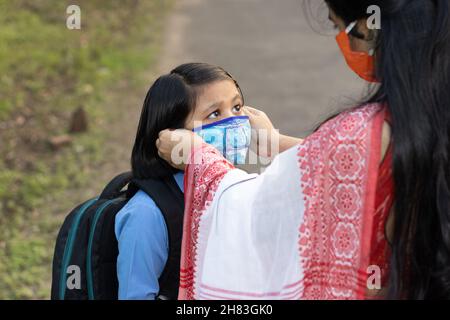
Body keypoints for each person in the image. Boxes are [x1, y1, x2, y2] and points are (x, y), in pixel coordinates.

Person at [156, 0, 450, 299]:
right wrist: (275, 144)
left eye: (339, 27)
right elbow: (353, 163)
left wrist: (199, 158)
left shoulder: (357, 133)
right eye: (215, 113)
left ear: (366, 26)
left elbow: (255, 208)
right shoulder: (426, 112)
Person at [115, 62, 251, 299]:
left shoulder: (232, 190)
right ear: (173, 136)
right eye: (215, 114)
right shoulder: (147, 214)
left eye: (237, 107)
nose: (234, 123)